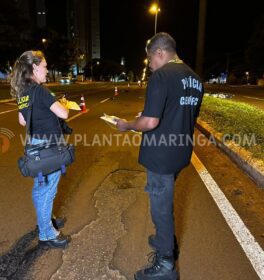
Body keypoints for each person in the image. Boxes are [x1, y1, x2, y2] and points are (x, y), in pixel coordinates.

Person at [116, 32, 204, 280]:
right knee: (164, 196)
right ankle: (164, 239)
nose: (150, 65)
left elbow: (150, 121)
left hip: (161, 154)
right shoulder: (196, 79)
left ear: (160, 53)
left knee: (160, 207)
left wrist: (128, 124)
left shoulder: (162, 76)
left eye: (150, 59)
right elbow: (185, 115)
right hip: (181, 150)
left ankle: (166, 263)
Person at [10, 50, 71, 249]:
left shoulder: (24, 92)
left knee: (40, 187)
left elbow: (22, 120)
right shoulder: (41, 91)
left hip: (36, 146)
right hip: (49, 147)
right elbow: (63, 113)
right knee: (48, 190)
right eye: (45, 66)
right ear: (35, 68)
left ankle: (44, 220)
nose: (47, 70)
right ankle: (47, 233)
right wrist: (61, 102)